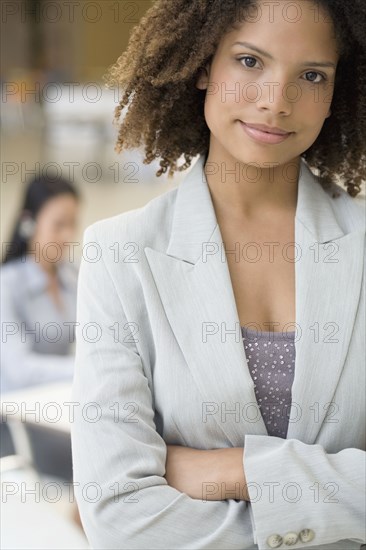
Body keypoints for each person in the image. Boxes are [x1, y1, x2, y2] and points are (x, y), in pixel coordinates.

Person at [70, 1, 366, 549]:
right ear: (205, 65)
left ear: (335, 93)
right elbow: (117, 517)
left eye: (311, 75)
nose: (275, 102)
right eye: (250, 62)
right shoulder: (120, 256)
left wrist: (239, 472)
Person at [1, 174, 81, 393]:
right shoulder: (6, 285)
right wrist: (85, 368)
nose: (68, 235)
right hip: (15, 415)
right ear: (28, 223)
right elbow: (19, 371)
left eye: (73, 224)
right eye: (58, 225)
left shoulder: (73, 275)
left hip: (59, 401)